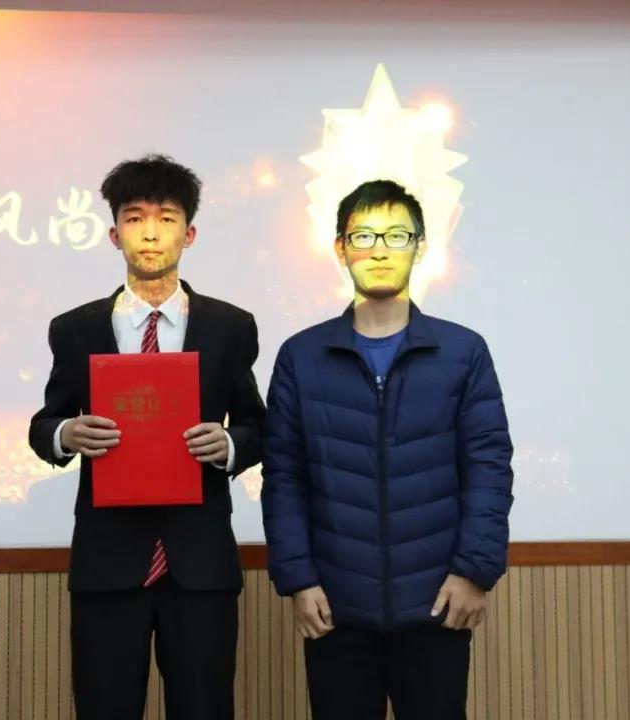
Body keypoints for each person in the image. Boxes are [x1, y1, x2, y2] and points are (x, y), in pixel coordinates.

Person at [261, 179, 514, 720]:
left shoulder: (463, 352)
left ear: (420, 247)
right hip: (334, 607)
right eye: (364, 236)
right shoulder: (301, 357)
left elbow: (489, 468)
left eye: (397, 236)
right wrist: (299, 579)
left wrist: (475, 571)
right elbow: (283, 477)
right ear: (340, 248)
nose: (380, 250)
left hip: (438, 603)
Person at [28, 154, 265, 720]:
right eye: (135, 218)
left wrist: (231, 444)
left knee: (204, 708)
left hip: (199, 565)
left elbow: (260, 425)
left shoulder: (230, 327)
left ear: (189, 233)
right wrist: (67, 433)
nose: (151, 232)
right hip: (108, 563)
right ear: (114, 235)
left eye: (166, 218)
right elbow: (43, 426)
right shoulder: (76, 328)